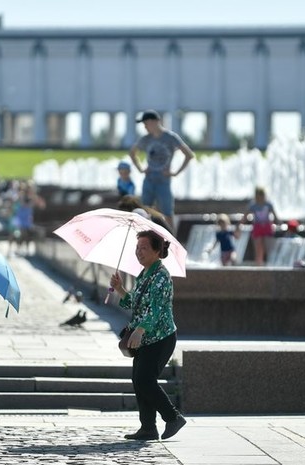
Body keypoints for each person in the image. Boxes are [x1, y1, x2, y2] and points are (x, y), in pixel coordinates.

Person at [108, 230, 186, 441]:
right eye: (137, 247)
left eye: (143, 248)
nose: (138, 252)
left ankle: (173, 417)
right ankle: (148, 428)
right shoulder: (145, 274)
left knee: (145, 379)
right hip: (145, 337)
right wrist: (120, 289)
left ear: (156, 251)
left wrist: (140, 330)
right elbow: (135, 302)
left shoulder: (161, 276)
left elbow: (156, 310)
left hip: (161, 338)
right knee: (139, 380)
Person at [129, 110, 196, 226]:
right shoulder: (145, 139)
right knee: (145, 211)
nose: (144, 127)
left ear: (154, 122)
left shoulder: (170, 137)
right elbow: (132, 153)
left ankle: (173, 240)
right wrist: (140, 169)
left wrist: (175, 173)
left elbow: (189, 155)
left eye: (146, 123)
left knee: (168, 213)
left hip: (163, 181)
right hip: (149, 180)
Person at [239, 187, 280, 266]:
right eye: (259, 195)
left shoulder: (268, 204)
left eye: (262, 195)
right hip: (257, 227)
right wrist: (239, 225)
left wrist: (280, 224)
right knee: (258, 247)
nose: (261, 197)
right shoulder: (253, 205)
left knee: (267, 248)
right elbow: (245, 217)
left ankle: (268, 263)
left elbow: (275, 217)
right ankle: (259, 264)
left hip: (267, 227)